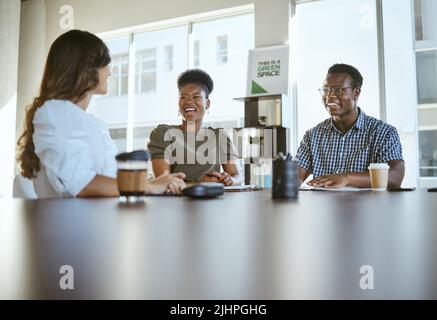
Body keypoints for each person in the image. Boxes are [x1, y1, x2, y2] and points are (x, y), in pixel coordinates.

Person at [16, 30, 186, 198]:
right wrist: (148, 185)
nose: (109, 72)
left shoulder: (83, 120)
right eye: (105, 64)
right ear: (85, 69)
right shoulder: (57, 113)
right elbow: (81, 183)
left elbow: (106, 182)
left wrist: (158, 182)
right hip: (74, 224)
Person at [296, 63, 405, 188]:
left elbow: (395, 177)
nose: (329, 96)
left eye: (338, 90)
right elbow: (294, 178)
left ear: (356, 92)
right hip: (322, 207)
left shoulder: (384, 132)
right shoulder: (312, 136)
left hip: (369, 207)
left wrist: (347, 178)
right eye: (326, 90)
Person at [147, 69, 241, 186]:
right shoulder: (163, 133)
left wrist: (229, 179)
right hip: (176, 203)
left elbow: (236, 176)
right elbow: (163, 183)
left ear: (207, 104)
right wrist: (198, 184)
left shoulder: (219, 136)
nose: (189, 102)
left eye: (196, 97)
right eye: (184, 97)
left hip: (214, 202)